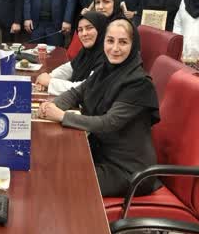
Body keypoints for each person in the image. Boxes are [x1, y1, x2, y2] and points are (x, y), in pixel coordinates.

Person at [38, 18, 160, 197]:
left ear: (134, 46)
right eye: (110, 41)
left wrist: (62, 116)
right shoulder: (105, 70)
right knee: (51, 164)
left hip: (128, 170)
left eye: (123, 42)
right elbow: (76, 93)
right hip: (100, 153)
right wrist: (52, 106)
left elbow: (108, 123)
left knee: (62, 180)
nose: (115, 48)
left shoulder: (139, 83)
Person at [35, 11, 107, 95]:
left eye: (89, 28)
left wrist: (50, 82)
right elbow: (70, 68)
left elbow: (86, 89)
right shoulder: (86, 51)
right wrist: (48, 77)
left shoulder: (108, 56)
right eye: (80, 30)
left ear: (101, 29)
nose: (84, 33)